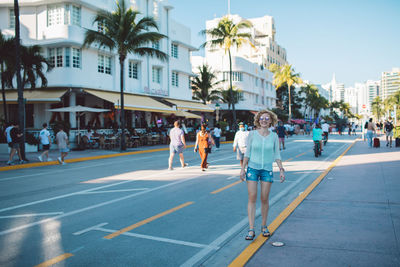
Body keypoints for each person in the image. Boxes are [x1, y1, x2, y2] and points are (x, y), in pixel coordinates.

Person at [240, 110, 285, 240]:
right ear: (258, 120)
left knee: (264, 198)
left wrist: (281, 169)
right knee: (252, 197)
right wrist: (243, 169)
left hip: (267, 169)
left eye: (267, 118)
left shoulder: (274, 136)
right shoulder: (252, 134)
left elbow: (277, 154)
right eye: (261, 118)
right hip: (252, 169)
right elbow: (247, 153)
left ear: (271, 121)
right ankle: (251, 229)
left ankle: (264, 226)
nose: (264, 120)